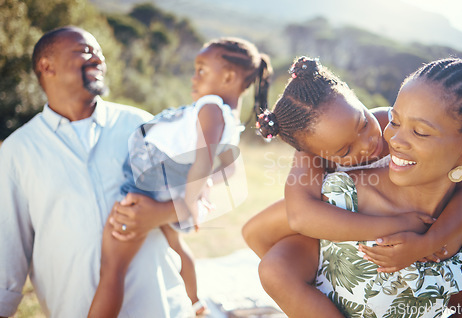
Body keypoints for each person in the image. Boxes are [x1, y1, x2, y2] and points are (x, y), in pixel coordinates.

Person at [245, 57, 462, 317]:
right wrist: (400, 224)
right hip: (337, 235)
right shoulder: (314, 157)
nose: (367, 144)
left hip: (408, 255)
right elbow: (298, 217)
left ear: (354, 97)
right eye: (345, 151)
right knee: (278, 268)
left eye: (363, 124)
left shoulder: (394, 123)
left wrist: (427, 241)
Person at [0, 26, 194, 317]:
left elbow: (196, 200)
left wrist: (159, 214)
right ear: (46, 65)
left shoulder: (139, 124)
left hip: (160, 305)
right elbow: (9, 246)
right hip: (75, 307)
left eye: (100, 53)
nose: (97, 59)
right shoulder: (18, 150)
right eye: (84, 51)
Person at [88, 37, 273, 317]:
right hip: (167, 184)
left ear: (228, 77)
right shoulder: (230, 120)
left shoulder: (210, 106)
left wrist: (190, 203)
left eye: (201, 70)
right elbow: (228, 167)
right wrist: (203, 188)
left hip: (150, 181)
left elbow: (202, 161)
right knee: (177, 246)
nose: (193, 77)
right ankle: (196, 304)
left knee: (112, 269)